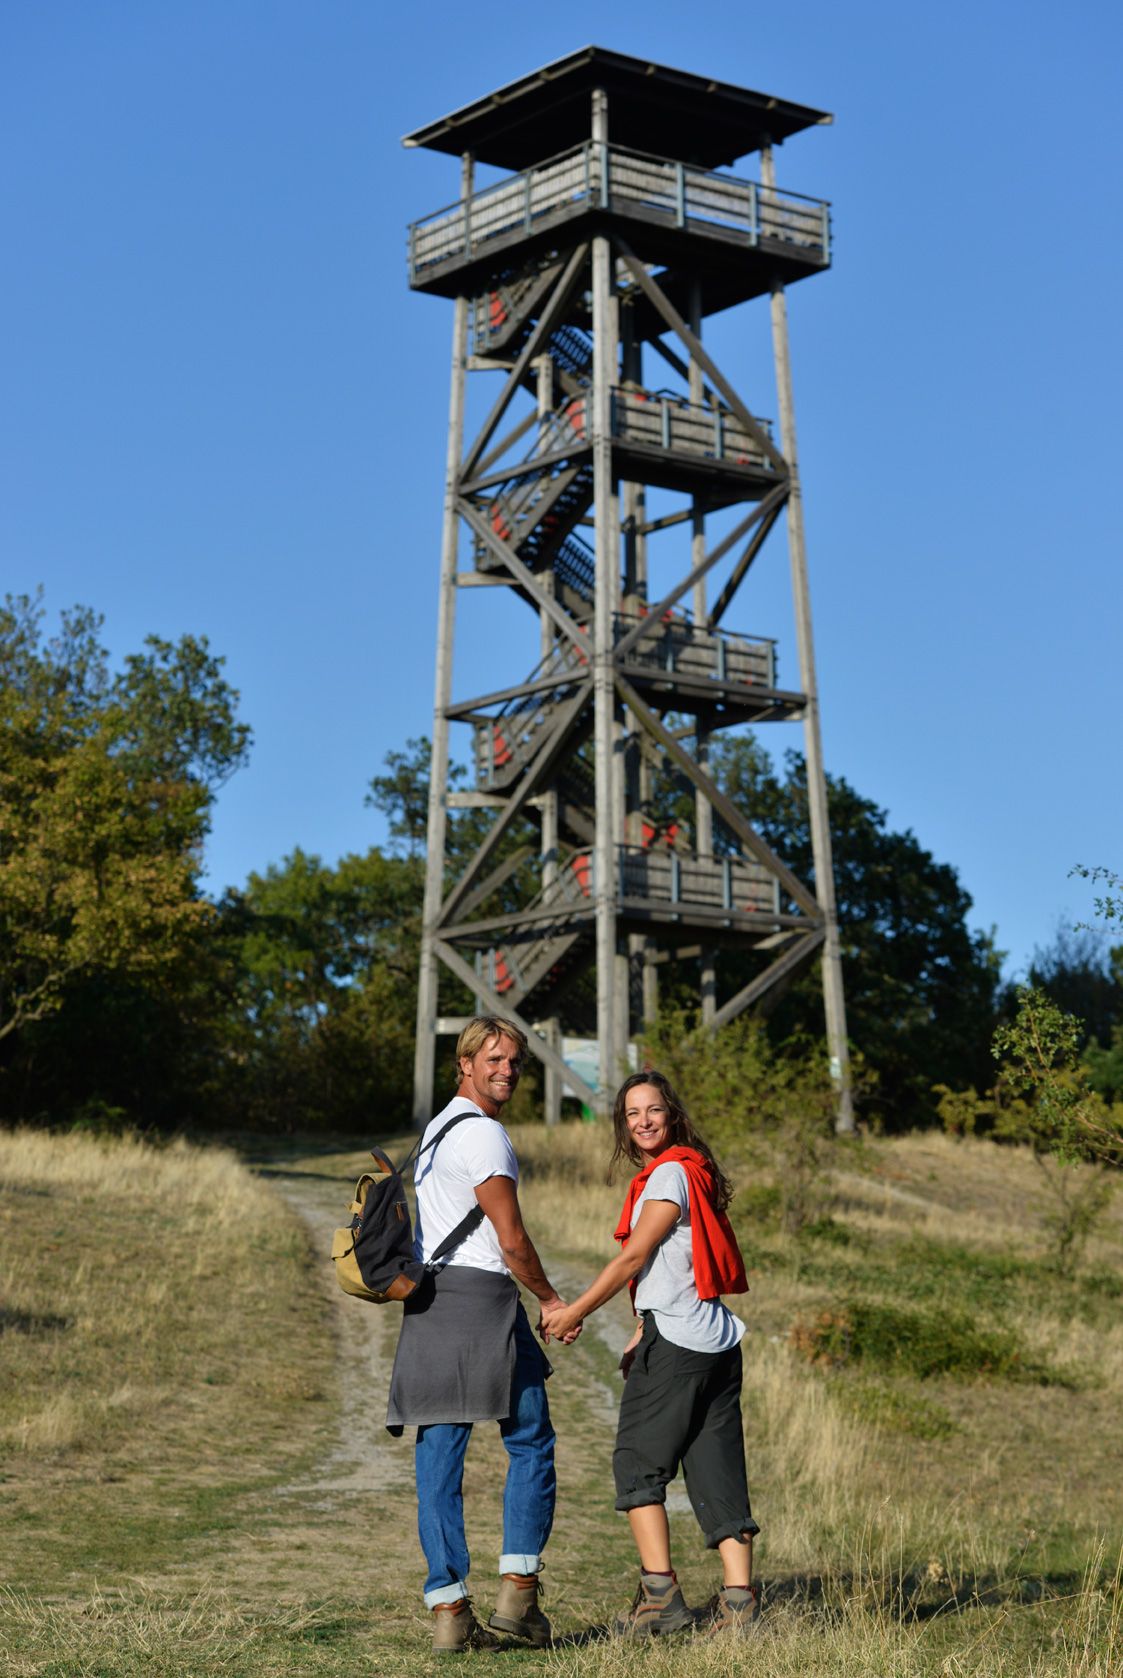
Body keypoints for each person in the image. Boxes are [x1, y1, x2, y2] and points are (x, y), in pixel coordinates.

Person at [541, 1069, 760, 1638]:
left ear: (672, 1114)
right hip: (715, 1340)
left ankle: (660, 1599)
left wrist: (575, 1311)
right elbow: (677, 1265)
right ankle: (740, 1608)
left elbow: (634, 1258)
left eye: (653, 1110)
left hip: (681, 1342)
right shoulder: (692, 1169)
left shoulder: (667, 1176)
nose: (642, 1121)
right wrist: (644, 1324)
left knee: (637, 1463)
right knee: (716, 1469)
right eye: (632, 1113)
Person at [386, 1016, 573, 1653]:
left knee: (438, 1455)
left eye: (515, 1061)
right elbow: (510, 1238)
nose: (507, 1070)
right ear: (465, 1062)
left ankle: (449, 1609)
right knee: (531, 1439)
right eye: (494, 1059)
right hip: (483, 1301)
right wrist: (550, 1299)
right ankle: (518, 1594)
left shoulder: (437, 1129)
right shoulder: (486, 1135)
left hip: (432, 1301)